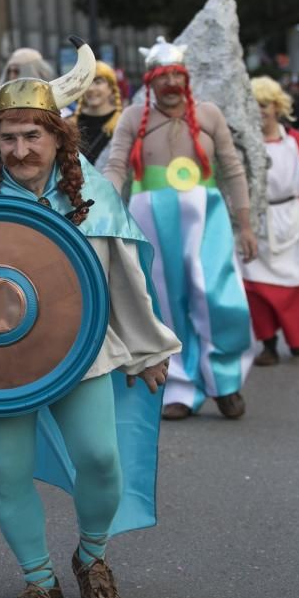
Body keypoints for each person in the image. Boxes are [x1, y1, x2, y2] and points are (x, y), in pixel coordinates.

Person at [0, 39, 180, 598]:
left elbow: (122, 276)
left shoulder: (91, 193)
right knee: (9, 473)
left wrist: (145, 347)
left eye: (32, 136)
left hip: (78, 350)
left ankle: (92, 559)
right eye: (7, 138)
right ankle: (41, 583)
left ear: (58, 135)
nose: (19, 150)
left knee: (99, 459)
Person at [102, 36, 257, 421]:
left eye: (177, 75)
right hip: (150, 217)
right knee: (164, 302)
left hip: (206, 215)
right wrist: (101, 207)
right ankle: (180, 387)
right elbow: (116, 166)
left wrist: (246, 225)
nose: (170, 84)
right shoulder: (133, 117)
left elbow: (233, 168)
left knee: (217, 295)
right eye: (162, 77)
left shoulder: (209, 114)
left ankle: (225, 381)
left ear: (185, 78)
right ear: (150, 82)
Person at [245, 78, 299, 366]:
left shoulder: (296, 142)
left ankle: (296, 339)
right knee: (254, 286)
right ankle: (268, 344)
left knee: (296, 283)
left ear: (277, 107)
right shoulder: (243, 146)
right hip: (257, 220)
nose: (260, 111)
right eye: (253, 105)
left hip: (292, 218)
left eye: (265, 105)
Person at [69, 60, 123, 170]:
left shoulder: (123, 123)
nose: (91, 88)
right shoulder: (69, 123)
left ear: (111, 88)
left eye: (98, 82)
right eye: (87, 82)